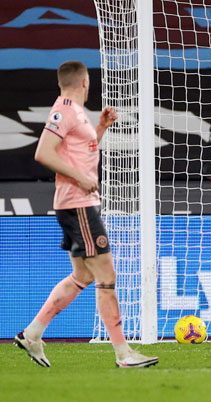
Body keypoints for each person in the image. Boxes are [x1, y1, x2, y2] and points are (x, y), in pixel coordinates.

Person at [14, 60, 158, 368]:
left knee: (84, 275)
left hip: (77, 204)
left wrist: (100, 128)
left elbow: (78, 153)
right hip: (78, 204)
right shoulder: (64, 110)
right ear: (85, 82)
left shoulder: (77, 113)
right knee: (107, 275)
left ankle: (33, 334)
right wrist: (80, 179)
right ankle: (123, 353)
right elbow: (43, 152)